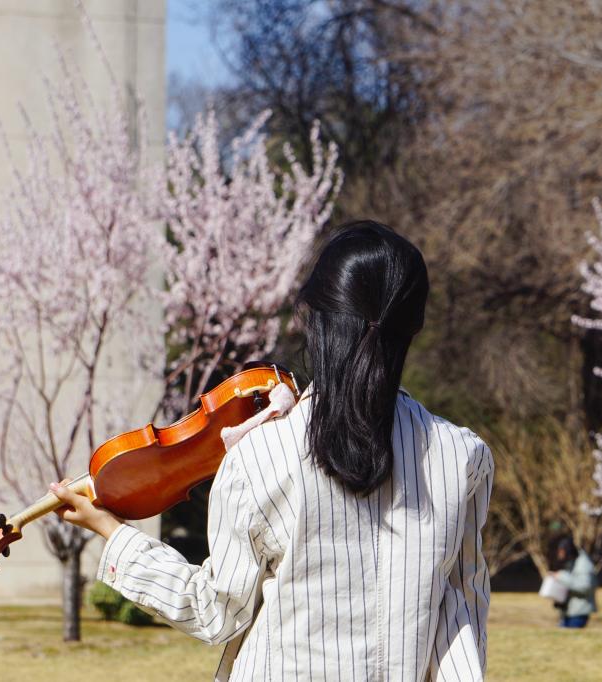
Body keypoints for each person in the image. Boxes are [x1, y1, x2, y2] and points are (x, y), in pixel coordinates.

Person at [50, 221, 494, 681]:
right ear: (414, 324)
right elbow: (460, 622)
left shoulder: (261, 454)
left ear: (314, 318)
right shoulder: (463, 457)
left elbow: (214, 612)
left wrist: (112, 531)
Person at [550, 535, 597, 628]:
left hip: (579, 612)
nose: (560, 556)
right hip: (567, 611)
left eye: (562, 552)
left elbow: (585, 586)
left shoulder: (583, 564)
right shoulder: (571, 561)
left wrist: (561, 577)